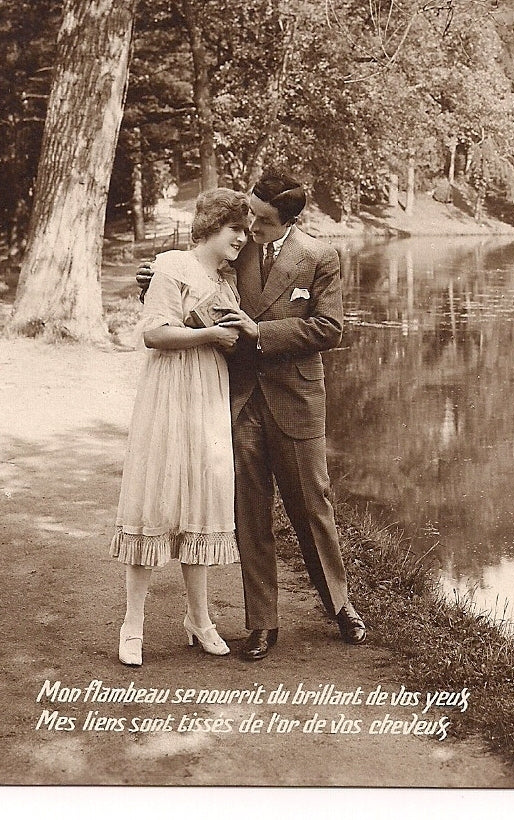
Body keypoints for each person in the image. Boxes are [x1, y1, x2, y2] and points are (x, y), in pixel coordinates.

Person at [138, 169, 366, 660]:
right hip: (240, 399)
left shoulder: (319, 257)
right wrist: (153, 280)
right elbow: (193, 283)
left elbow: (329, 328)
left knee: (312, 505)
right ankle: (262, 623)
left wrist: (260, 332)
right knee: (250, 514)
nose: (251, 228)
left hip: (297, 399)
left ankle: (339, 605)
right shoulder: (237, 252)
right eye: (249, 216)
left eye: (263, 221)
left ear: (289, 220)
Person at [110, 189, 249, 665]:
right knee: (156, 498)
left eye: (246, 231)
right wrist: (210, 334)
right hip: (171, 389)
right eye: (235, 229)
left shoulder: (226, 281)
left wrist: (231, 338)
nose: (241, 238)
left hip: (208, 391)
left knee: (201, 499)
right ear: (211, 227)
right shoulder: (173, 265)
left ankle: (199, 618)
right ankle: (132, 624)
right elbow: (153, 332)